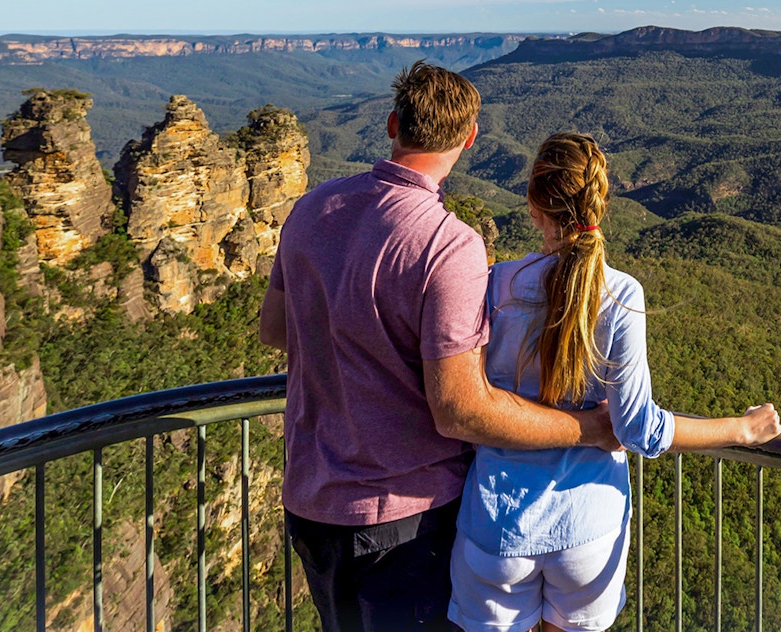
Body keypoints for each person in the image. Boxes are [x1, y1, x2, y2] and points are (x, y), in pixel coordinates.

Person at [258, 64, 619, 632]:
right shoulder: (449, 245)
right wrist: (591, 430)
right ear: (471, 138)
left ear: (392, 123)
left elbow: (275, 330)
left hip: (311, 504)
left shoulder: (310, 208)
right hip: (406, 524)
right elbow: (460, 410)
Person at [448, 132, 781, 632]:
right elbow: (637, 429)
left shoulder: (494, 285)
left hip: (499, 526)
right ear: (601, 204)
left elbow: (470, 400)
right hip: (588, 532)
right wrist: (740, 429)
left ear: (533, 205)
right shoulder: (622, 296)